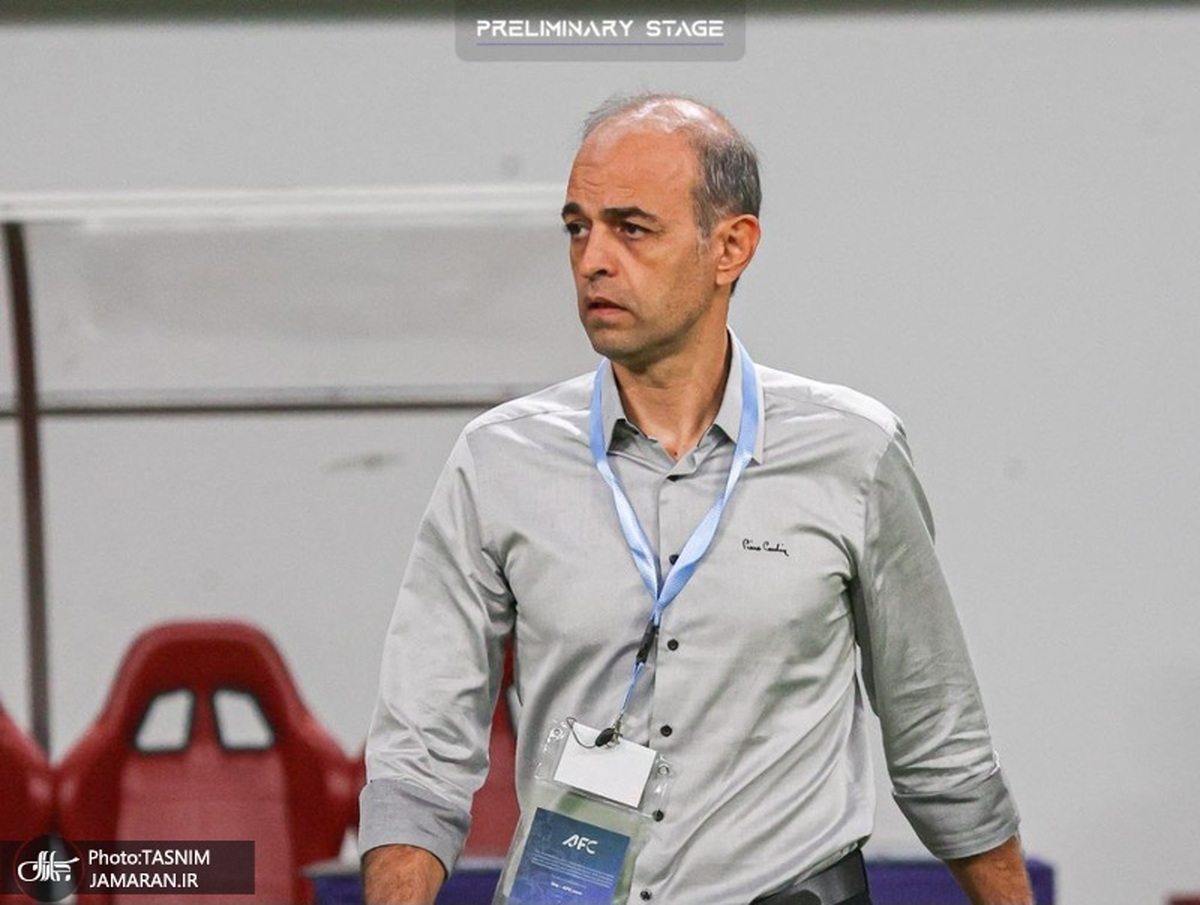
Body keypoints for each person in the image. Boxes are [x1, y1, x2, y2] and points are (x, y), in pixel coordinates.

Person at [359, 93, 1034, 905]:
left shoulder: (852, 452)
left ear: (731, 247)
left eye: (631, 228)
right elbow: (419, 755)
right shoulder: (500, 460)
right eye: (578, 227)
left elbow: (939, 740)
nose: (593, 259)